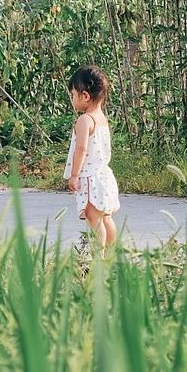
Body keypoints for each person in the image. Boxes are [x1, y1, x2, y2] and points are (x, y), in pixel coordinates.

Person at [64, 65, 120, 248]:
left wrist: (74, 175)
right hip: (104, 176)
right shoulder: (101, 118)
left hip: (90, 179)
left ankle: (99, 257)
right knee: (105, 218)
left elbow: (81, 149)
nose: (72, 99)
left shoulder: (84, 120)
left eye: (73, 94)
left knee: (93, 219)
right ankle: (112, 254)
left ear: (85, 96)